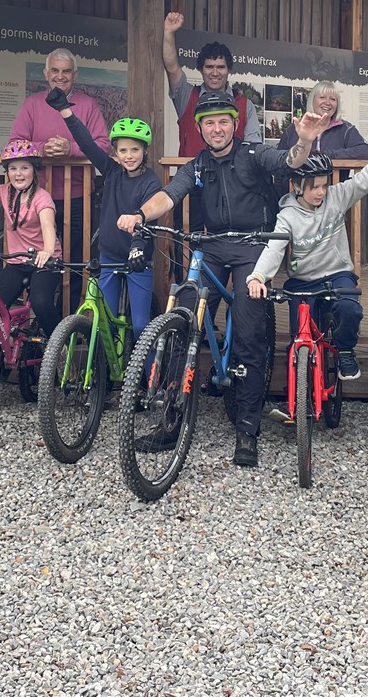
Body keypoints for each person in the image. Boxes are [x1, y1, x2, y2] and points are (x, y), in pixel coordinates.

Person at [118, 94, 328, 468]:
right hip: (212, 245)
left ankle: (247, 430)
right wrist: (139, 214)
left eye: (224, 122)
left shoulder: (253, 153)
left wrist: (306, 140)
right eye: (209, 123)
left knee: (248, 331)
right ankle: (169, 419)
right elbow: (168, 195)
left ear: (235, 124)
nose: (217, 129)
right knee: (183, 320)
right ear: (200, 129)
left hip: (253, 246)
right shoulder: (197, 164)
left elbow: (289, 162)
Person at [246, 135, 368, 384]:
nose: (321, 192)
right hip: (302, 283)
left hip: (336, 275)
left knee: (349, 309)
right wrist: (258, 276)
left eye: (324, 185)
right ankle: (298, 400)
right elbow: (274, 248)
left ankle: (344, 351)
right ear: (297, 186)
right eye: (314, 187)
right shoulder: (287, 215)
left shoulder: (336, 197)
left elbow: (364, 180)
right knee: (298, 340)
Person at [45, 87, 163, 344]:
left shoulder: (151, 183)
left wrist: (137, 248)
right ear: (115, 153)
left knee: (142, 325)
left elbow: (147, 221)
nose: (129, 156)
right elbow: (86, 143)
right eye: (123, 151)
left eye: (134, 150)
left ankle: (149, 379)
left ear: (144, 150)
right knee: (105, 321)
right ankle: (106, 378)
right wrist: (65, 111)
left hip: (138, 259)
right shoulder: (111, 171)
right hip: (108, 258)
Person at [9, 49, 108, 299]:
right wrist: (43, 149)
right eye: (55, 70)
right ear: (46, 74)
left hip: (78, 196)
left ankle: (72, 319)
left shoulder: (87, 105)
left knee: (76, 260)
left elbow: (104, 145)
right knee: (38, 258)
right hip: (38, 197)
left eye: (66, 71)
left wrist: (71, 149)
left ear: (75, 74)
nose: (60, 76)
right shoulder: (32, 104)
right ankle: (39, 318)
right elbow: (15, 143)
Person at [0, 138, 62, 349]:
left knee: (41, 302)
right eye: (13, 168)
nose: (18, 173)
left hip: (45, 262)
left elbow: (48, 226)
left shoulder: (42, 198)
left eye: (24, 168)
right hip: (16, 262)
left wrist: (48, 250)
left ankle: (59, 349)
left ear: (34, 171)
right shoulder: (5, 193)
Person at [162, 11, 263, 158]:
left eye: (221, 67)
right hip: (192, 178)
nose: (215, 73)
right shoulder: (186, 96)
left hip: (232, 179)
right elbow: (171, 67)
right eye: (209, 67)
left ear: (228, 70)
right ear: (201, 70)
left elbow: (253, 148)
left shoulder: (245, 105)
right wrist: (168, 32)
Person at [276, 81, 368, 160]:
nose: (327, 102)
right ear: (312, 100)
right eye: (322, 97)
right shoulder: (293, 129)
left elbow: (365, 151)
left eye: (333, 99)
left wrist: (326, 155)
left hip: (335, 183)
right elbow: (278, 159)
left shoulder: (346, 129)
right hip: (298, 183)